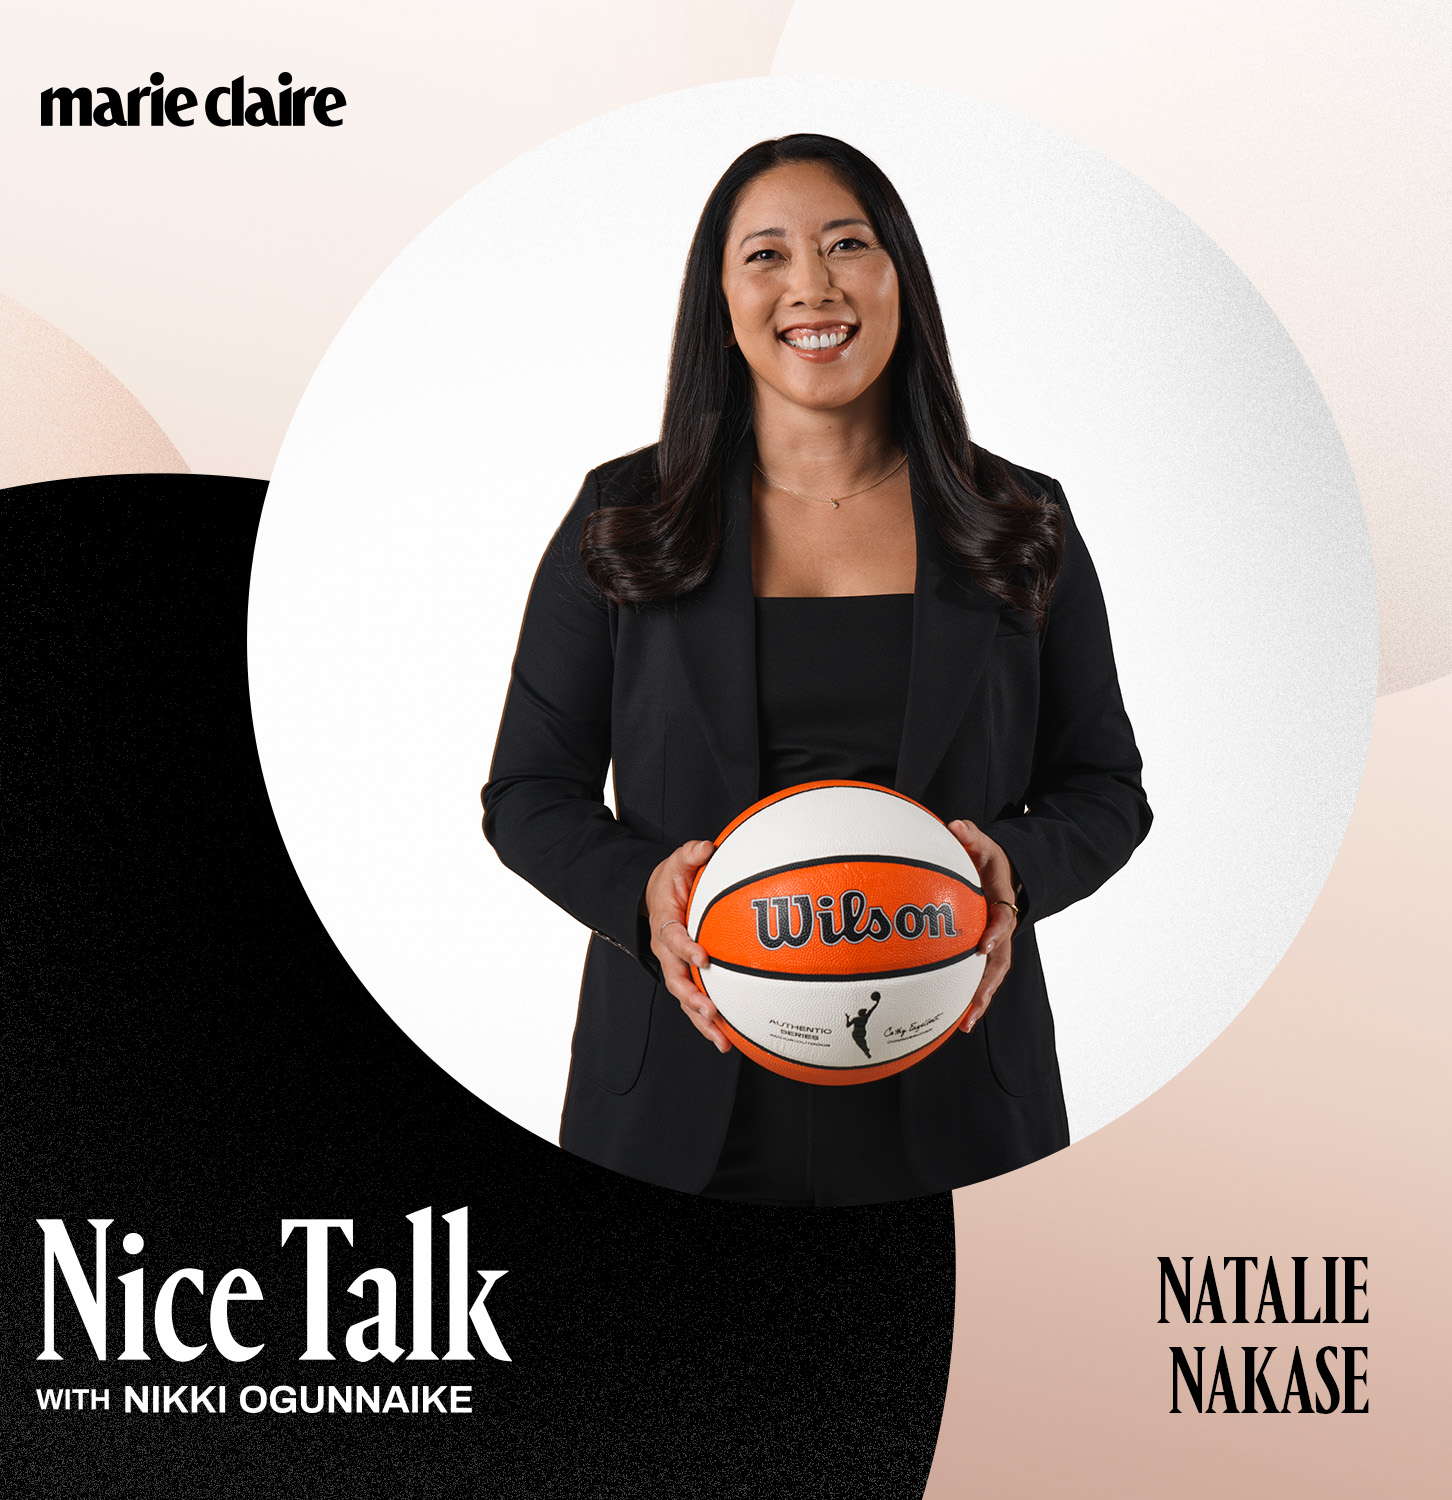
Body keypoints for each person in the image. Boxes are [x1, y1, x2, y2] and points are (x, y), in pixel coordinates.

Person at [482, 133, 1152, 1205]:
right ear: (720, 301)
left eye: (847, 244)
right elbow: (528, 793)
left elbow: (1106, 787)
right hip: (678, 1102)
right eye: (767, 255)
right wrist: (643, 894)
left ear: (900, 278)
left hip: (960, 1097)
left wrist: (1011, 871)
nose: (813, 286)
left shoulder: (1021, 519)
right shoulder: (625, 517)